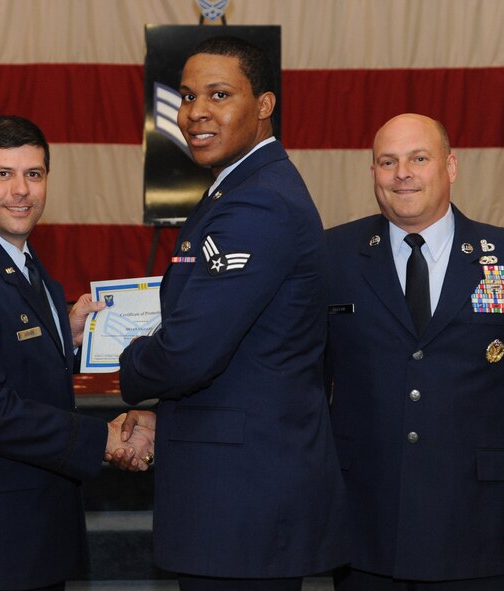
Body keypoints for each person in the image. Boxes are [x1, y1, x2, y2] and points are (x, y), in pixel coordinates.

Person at [118, 36, 349, 590]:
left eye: (219, 95)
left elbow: (190, 350)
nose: (197, 112)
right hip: (244, 485)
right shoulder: (240, 188)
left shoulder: (257, 201)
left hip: (241, 499)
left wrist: (126, 359)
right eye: (189, 96)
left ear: (265, 105)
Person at [325, 113, 504, 590]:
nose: (403, 173)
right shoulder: (332, 256)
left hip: (480, 522)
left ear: (450, 167)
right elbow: (303, 381)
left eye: (419, 158)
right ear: (374, 173)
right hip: (364, 519)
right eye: (387, 161)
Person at [0, 115, 155, 591]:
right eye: (3, 174)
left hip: (29, 529)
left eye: (33, 174)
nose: (20, 190)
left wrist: (68, 334)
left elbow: (14, 356)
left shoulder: (24, 264)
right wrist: (100, 438)